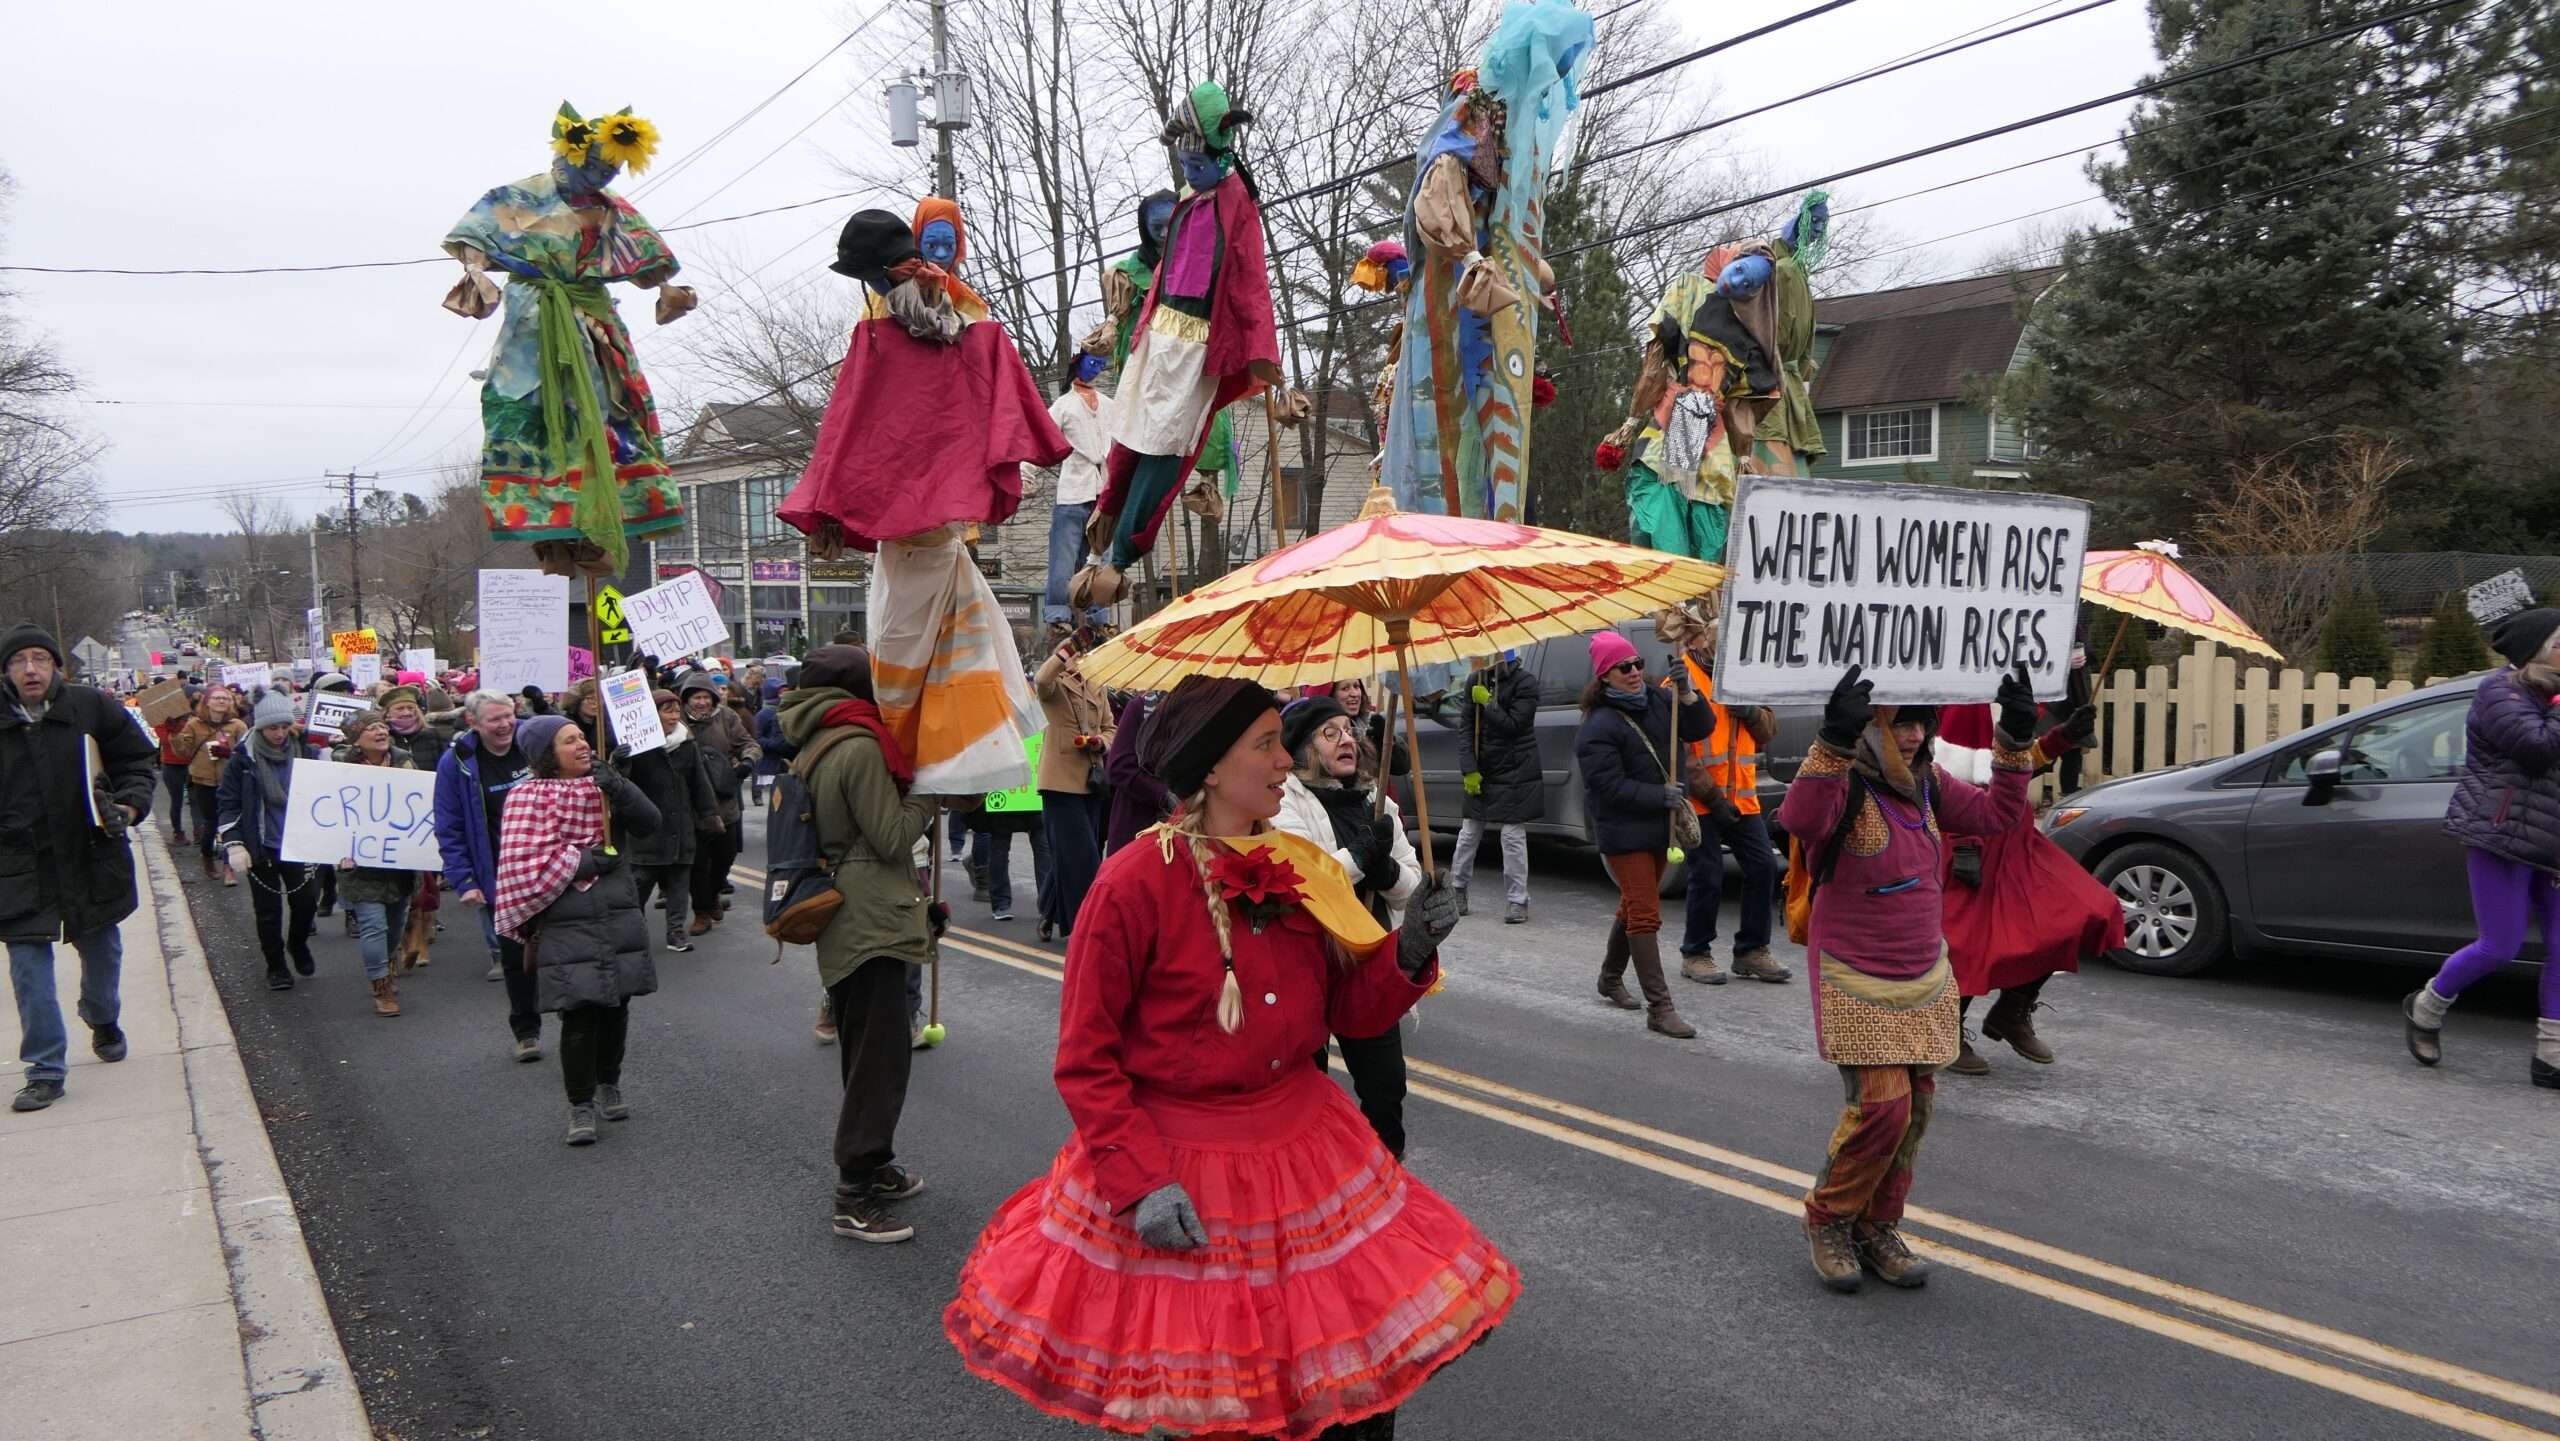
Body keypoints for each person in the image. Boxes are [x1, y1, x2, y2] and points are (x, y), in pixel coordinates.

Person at [944, 676, 1494, 1438]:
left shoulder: (1303, 868)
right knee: (1221, 1402)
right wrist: (1140, 1183)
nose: (1282, 761)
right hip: (1184, 1168)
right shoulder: (1131, 883)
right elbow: (1086, 1058)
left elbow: (1347, 1013)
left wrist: (1408, 951)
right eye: (1265, 744)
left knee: (1344, 1392)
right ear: (1208, 766)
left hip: (1309, 1152)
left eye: (1279, 741)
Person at [1776, 664, 2036, 1293]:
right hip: (1855, 979)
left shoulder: (1927, 786)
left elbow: (2000, 813)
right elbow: (1801, 818)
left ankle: (1877, 1225)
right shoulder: (1845, 786)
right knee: (1882, 1110)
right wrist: (1832, 742)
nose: (1913, 736)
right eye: (1897, 722)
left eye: (1920, 721)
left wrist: (2016, 739)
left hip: (1924, 975)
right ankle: (1829, 1219)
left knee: (1916, 1110)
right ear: (1868, 728)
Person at [776, 645, 945, 1241]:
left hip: (852, 911)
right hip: (870, 915)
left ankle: (875, 1165)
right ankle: (854, 1189)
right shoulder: (858, 744)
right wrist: (931, 787)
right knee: (880, 1055)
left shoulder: (819, 737)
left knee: (865, 1044)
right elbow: (894, 836)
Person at [3, 625, 156, 1113]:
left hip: (90, 856)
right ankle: (45, 1069)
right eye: (19, 660)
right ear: (5, 670)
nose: (31, 669)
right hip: (17, 866)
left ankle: (102, 1016)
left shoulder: (91, 707)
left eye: (40, 659)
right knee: (29, 970)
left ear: (56, 667)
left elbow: (137, 762)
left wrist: (127, 809)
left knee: (103, 953)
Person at [2405, 606, 2560, 1088]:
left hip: (2553, 840)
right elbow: (2536, 750)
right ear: (2536, 649)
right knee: (2501, 945)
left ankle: (2552, 1054)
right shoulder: (2499, 693)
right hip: (2502, 835)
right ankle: (2427, 1006)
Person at [493, 715, 661, 1146]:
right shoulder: (525, 797)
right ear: (547, 754)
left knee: (616, 1007)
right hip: (565, 919)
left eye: (583, 737)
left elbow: (650, 822)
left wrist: (619, 786)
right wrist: (585, 863)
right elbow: (525, 866)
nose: (582, 745)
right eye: (570, 741)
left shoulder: (603, 788)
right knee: (580, 1012)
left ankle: (610, 1083)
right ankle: (580, 1104)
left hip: (618, 912)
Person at [1273, 694, 1424, 1159]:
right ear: (1301, 748)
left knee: (1385, 1088)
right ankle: (1314, 1186)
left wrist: (1387, 873)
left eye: (1349, 730)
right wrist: (1360, 856)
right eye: (1330, 733)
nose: (1348, 740)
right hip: (1308, 965)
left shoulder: (1377, 804)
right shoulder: (1282, 802)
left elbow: (1411, 884)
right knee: (1307, 1090)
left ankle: (1386, 1178)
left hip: (1367, 963)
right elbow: (1304, 880)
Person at [1934, 697, 2114, 1076]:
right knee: (1971, 941)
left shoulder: (2012, 693)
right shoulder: (1969, 700)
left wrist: (2063, 738)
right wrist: (1964, 841)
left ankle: (2012, 1010)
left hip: (2015, 840)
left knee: (2083, 912)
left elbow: (2014, 765)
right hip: (1970, 840)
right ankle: (1946, 1027)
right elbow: (1955, 773)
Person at [1573, 631, 1709, 1039]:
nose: (1634, 673)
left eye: (1637, 664)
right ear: (1604, 677)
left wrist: (1686, 693)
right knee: (1646, 912)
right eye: (1623, 668)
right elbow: (1607, 787)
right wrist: (1658, 795)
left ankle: (1610, 978)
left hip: (1659, 824)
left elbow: (1700, 727)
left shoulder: (1658, 700)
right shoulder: (1596, 727)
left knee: (1633, 905)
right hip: (1623, 830)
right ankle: (1660, 1007)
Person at [1668, 615, 1789, 985]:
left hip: (1744, 799)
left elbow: (1768, 730)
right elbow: (1682, 753)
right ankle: (1696, 953)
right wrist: (1714, 798)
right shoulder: (1681, 679)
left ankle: (1751, 950)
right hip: (1704, 800)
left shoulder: (1743, 676)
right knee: (1707, 874)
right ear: (1703, 643)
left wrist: (1750, 712)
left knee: (1762, 867)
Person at [433, 691, 545, 1061]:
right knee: (516, 959)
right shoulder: (457, 763)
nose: (505, 725)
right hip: (501, 875)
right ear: (474, 723)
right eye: (495, 719)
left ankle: (580, 1022)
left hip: (550, 866)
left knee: (567, 950)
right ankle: (526, 1031)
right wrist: (463, 880)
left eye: (509, 716)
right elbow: (449, 826)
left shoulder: (535, 742)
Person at [217, 690, 323, 993]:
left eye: (283, 727)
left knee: (305, 903)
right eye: (271, 728)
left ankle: (297, 943)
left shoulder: (307, 752)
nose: (278, 734)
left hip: (300, 843)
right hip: (261, 844)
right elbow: (229, 803)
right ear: (260, 728)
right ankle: (276, 966)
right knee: (268, 910)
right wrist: (234, 843)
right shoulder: (243, 760)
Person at [330, 710, 420, 1018]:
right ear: (356, 738)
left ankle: (389, 961)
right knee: (373, 925)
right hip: (358, 862)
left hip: (399, 859)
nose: (381, 732)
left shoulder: (405, 760)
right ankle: (380, 984)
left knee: (395, 924)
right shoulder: (339, 765)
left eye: (383, 726)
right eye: (372, 729)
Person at [618, 688, 716, 954]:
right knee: (639, 885)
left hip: (681, 825)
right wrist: (620, 761)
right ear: (653, 714)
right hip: (647, 829)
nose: (674, 716)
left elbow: (699, 781)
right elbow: (622, 783)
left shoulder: (686, 742)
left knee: (678, 885)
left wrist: (709, 814)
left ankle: (676, 932)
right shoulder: (636, 745)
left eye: (676, 710)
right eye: (667, 711)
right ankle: (632, 933)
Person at [1032, 634, 1114, 941]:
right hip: (1060, 783)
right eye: (1076, 654)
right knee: (1084, 858)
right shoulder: (1055, 684)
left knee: (1076, 852)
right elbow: (1042, 679)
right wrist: (1063, 653)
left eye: (1084, 653)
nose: (1081, 658)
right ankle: (1089, 926)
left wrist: (1100, 743)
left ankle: (1048, 910)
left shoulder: (1096, 684)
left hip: (1091, 780)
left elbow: (1110, 726)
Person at [1448, 651, 1540, 923]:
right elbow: (1465, 727)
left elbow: (1515, 725)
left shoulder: (1526, 683)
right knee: (1468, 834)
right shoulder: (1476, 679)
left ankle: (1517, 900)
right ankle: (1458, 889)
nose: (1493, 663)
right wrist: (1469, 769)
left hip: (1515, 770)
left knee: (1512, 838)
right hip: (1483, 768)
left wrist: (1488, 703)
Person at [678, 673, 759, 935]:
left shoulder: (726, 717)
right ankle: (701, 912)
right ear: (686, 700)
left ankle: (712, 896)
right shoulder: (675, 721)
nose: (701, 703)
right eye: (695, 698)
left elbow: (749, 743)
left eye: (705, 697)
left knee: (725, 855)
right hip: (692, 802)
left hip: (724, 797)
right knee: (698, 862)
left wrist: (746, 762)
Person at [1042, 358, 1115, 635]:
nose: (1095, 368)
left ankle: (1099, 615)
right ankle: (1057, 613)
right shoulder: (1063, 406)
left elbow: (1126, 437)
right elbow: (1042, 437)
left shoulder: (1109, 405)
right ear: (1076, 367)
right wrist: (1026, 473)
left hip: (1103, 493)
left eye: (1100, 363)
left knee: (1101, 557)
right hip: (1073, 492)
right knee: (1063, 556)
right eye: (1090, 363)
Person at [174, 686, 246, 884]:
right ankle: (206, 858)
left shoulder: (237, 725)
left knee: (229, 824)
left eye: (225, 698)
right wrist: (174, 733)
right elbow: (183, 751)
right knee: (211, 824)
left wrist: (230, 754)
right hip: (203, 781)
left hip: (231, 783)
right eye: (217, 698)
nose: (222, 701)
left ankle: (228, 868)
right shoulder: (194, 725)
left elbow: (247, 753)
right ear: (207, 702)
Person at [1101, 690, 1167, 854]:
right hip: (1139, 825)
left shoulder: (1205, 712)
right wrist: (1163, 794)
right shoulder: (1142, 708)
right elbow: (1119, 767)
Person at [1332, 676, 1409, 783]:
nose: (1354, 694)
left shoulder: (1370, 723)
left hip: (1376, 796)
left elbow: (1401, 767)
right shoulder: (1325, 732)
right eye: (1345, 688)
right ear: (1331, 695)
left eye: (1356, 686)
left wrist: (1385, 739)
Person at [752, 674, 794, 807]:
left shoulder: (787, 711)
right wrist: (774, 744)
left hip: (785, 761)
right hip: (771, 762)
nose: (784, 695)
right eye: (781, 693)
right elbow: (756, 738)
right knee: (777, 797)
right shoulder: (763, 715)